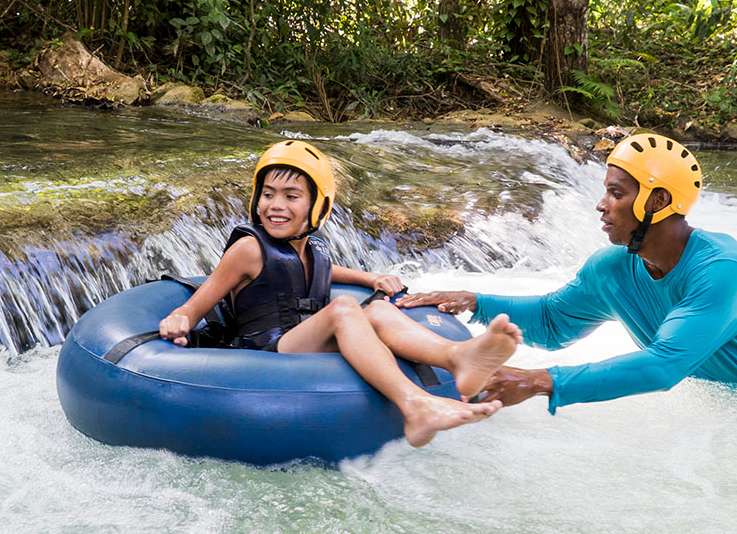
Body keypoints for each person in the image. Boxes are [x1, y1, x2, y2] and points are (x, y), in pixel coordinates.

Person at [397, 132, 737, 413]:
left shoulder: (725, 271)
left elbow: (663, 365)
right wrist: (472, 301)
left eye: (617, 193)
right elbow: (552, 321)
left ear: (659, 201)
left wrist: (542, 381)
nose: (601, 205)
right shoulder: (614, 269)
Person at [159, 140, 522, 446]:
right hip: (262, 352)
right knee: (345, 309)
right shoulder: (248, 250)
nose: (275, 205)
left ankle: (457, 357)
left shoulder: (313, 247)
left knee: (377, 311)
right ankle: (414, 405)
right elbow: (198, 303)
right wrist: (181, 318)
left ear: (318, 207)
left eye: (291, 196)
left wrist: (370, 277)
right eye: (267, 194)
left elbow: (321, 272)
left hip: (302, 341)